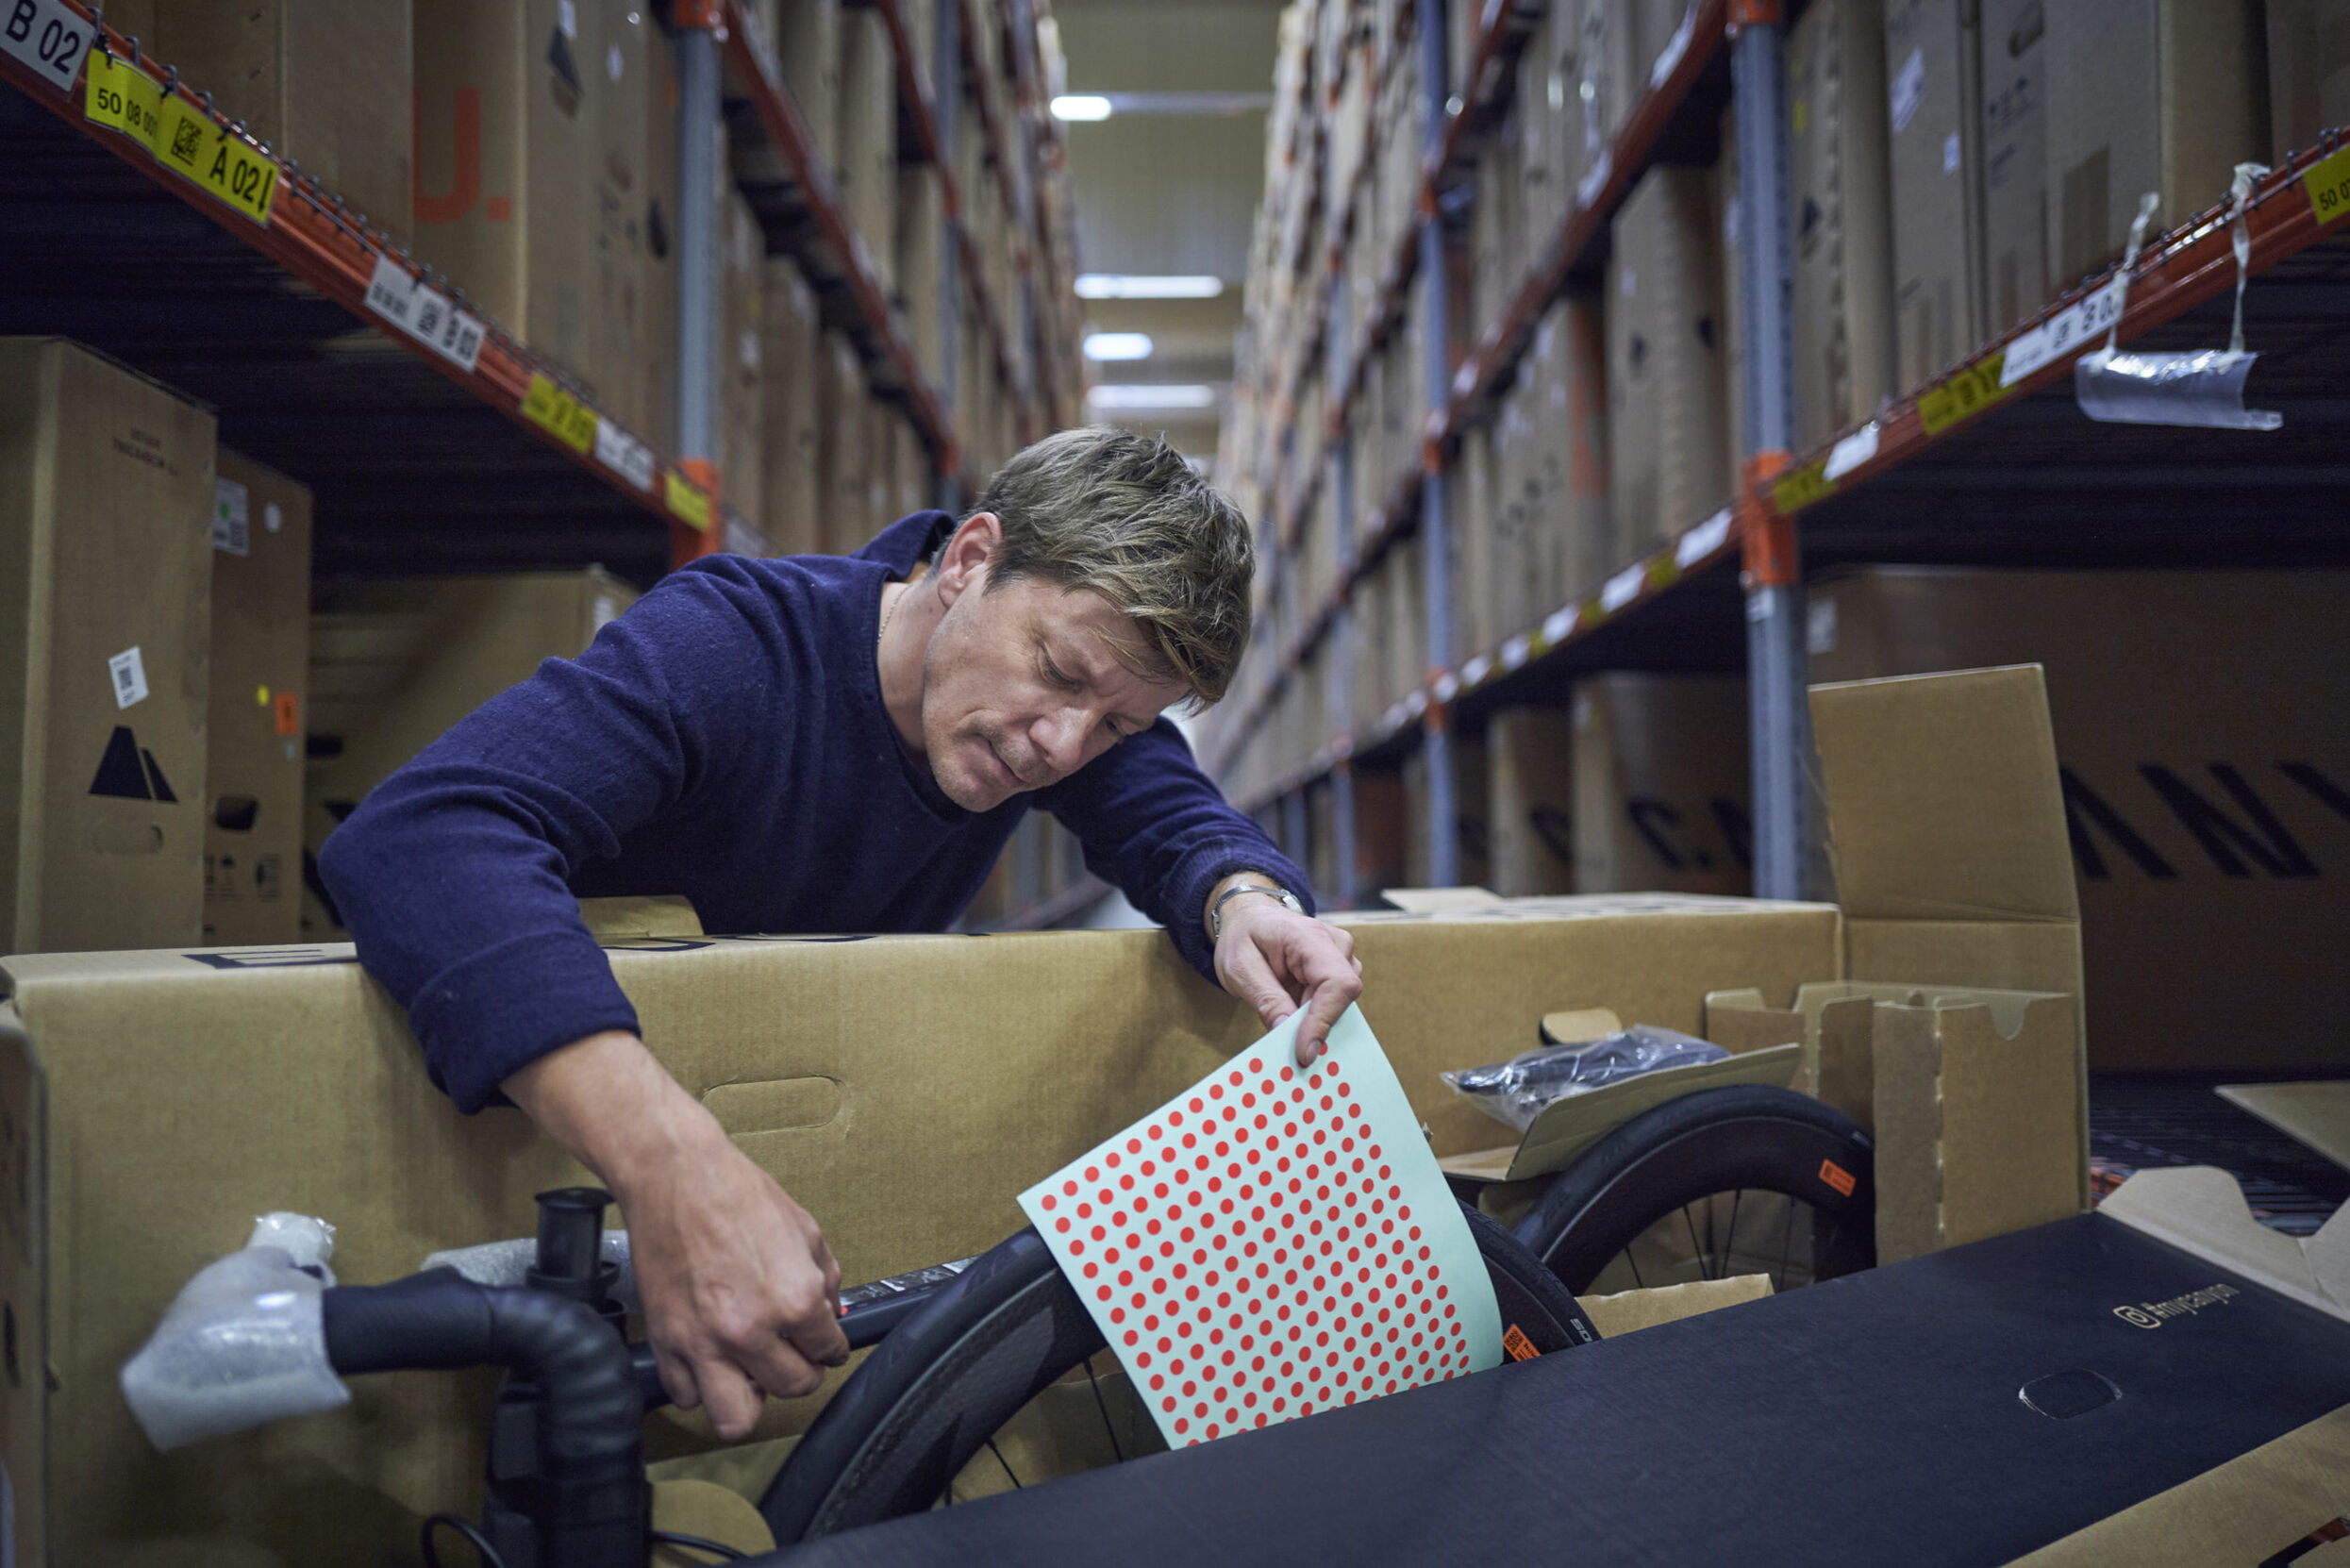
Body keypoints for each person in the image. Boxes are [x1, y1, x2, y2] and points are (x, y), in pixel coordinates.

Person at [320, 426, 1362, 1442]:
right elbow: (423, 835)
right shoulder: (734, 646)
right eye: (1058, 671)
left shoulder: (1057, 712)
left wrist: (1245, 903)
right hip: (529, 1152)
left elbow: (1178, 821)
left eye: (1120, 725)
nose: (1062, 745)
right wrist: (671, 1166)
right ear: (971, 560)